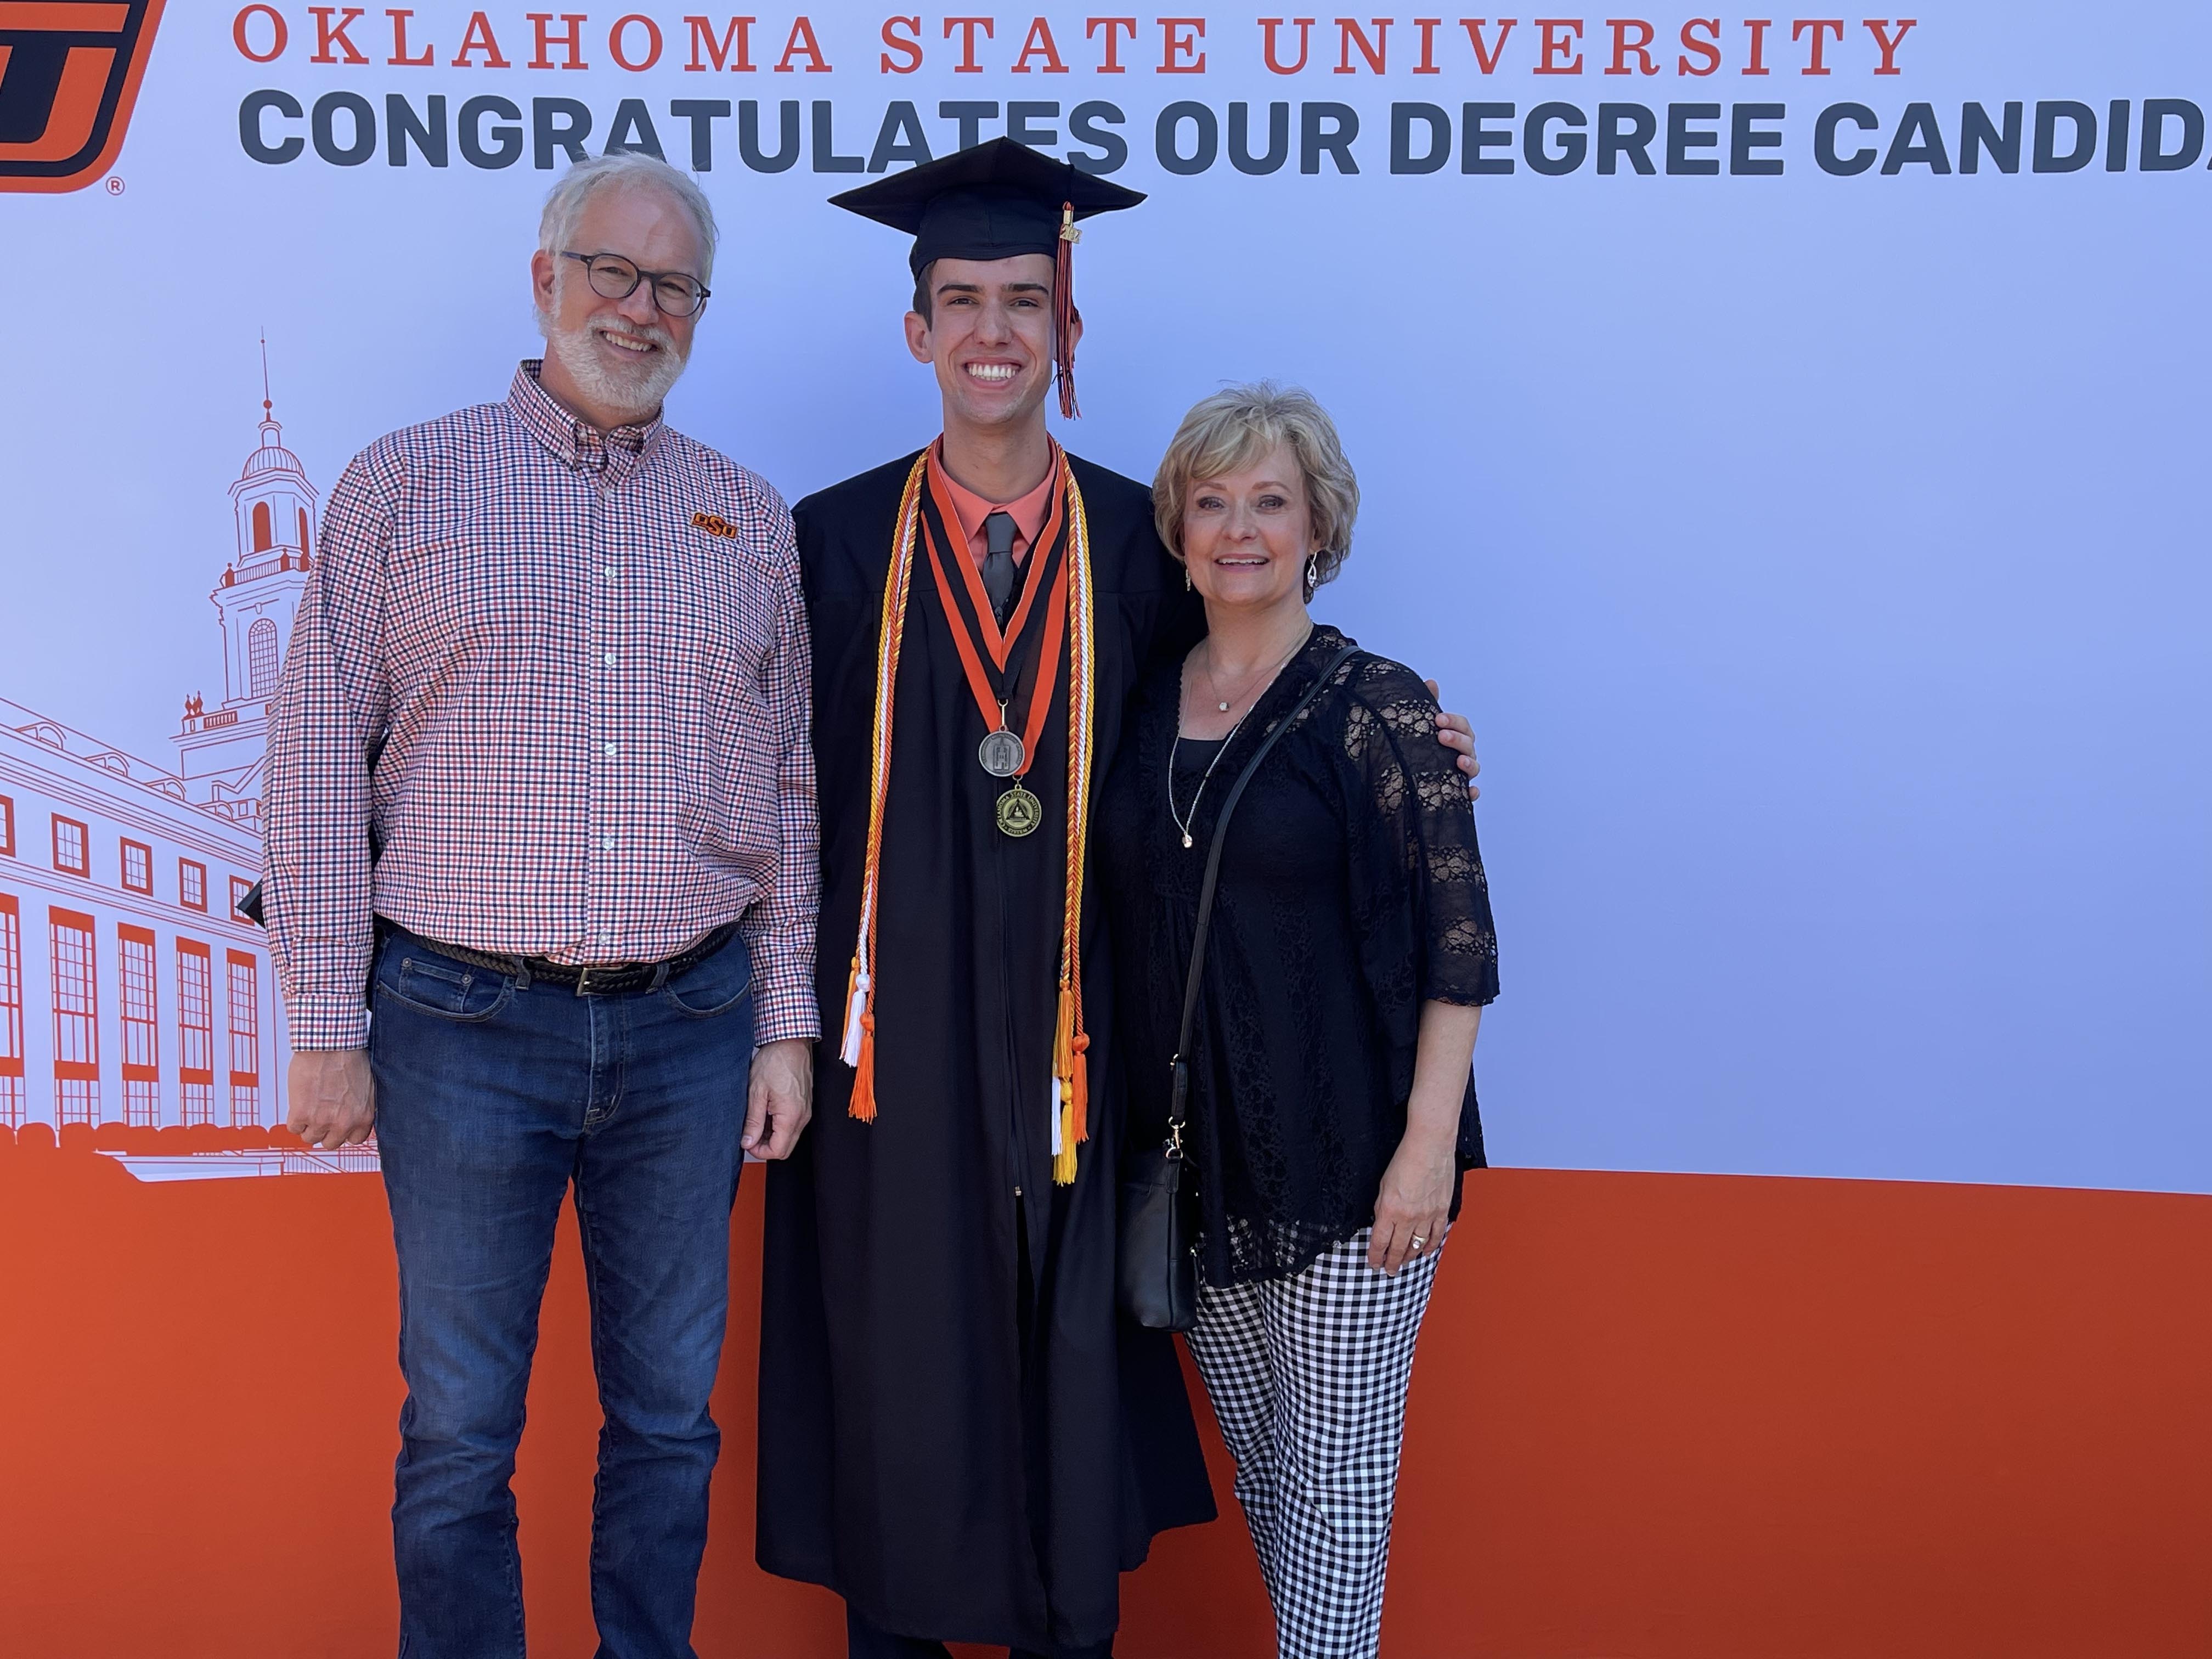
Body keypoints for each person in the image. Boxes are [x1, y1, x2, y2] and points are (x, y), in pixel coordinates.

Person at [755, 140, 1483, 1659]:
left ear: (1068, 329)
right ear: (917, 331)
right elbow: (777, 794)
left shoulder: (1137, 551)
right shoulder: (827, 543)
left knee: (1065, 1392)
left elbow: (1247, 705)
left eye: (1028, 298)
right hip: (891, 1068)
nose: (995, 332)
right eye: (962, 301)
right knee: (901, 1378)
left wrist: (1406, 740)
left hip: (1090, 1062)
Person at [262, 151, 817, 1659]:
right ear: (544, 277)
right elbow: (316, 754)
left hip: (693, 1028)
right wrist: (325, 1017)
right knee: (458, 1433)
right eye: (611, 273)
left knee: (665, 1419)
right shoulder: (404, 482)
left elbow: (787, 792)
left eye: (673, 286)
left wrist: (784, 1026)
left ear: (700, 310)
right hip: (457, 1024)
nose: (638, 310)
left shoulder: (744, 519)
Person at [1099, 383, 1499, 1659]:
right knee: (1275, 1483)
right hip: (1199, 1164)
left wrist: (1426, 1151)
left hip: (1351, 1169)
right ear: (1176, 525)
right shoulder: (1142, 701)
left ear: (1320, 520)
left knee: (1334, 1495)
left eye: (1270, 500)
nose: (1239, 529)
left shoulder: (1379, 710)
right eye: (1211, 502)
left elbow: (1458, 946)